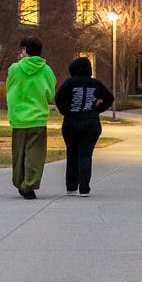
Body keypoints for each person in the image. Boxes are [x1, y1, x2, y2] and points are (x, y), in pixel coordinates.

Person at [54, 56, 113, 197]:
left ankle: (71, 187)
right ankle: (84, 188)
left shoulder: (69, 83)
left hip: (71, 122)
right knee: (86, 155)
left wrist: (66, 111)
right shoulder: (96, 83)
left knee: (72, 153)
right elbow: (109, 98)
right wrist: (97, 110)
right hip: (91, 122)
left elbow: (58, 99)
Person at [6, 36, 56, 199]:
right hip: (38, 117)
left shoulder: (14, 68)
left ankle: (19, 181)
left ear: (25, 49)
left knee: (19, 153)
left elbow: (9, 88)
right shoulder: (47, 70)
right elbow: (50, 94)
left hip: (18, 118)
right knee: (35, 154)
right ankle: (29, 184)